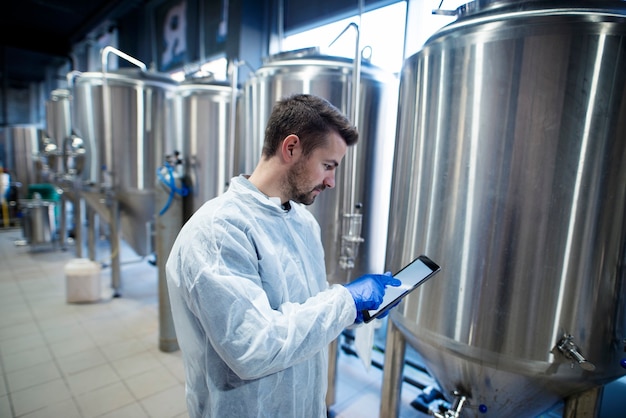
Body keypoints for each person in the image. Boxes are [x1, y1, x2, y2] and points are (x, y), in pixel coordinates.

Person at [166, 93, 401, 418]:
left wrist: (349, 314)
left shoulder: (301, 221)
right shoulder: (218, 231)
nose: (332, 181)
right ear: (291, 148)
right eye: (327, 166)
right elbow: (253, 348)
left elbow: (303, 316)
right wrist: (345, 301)